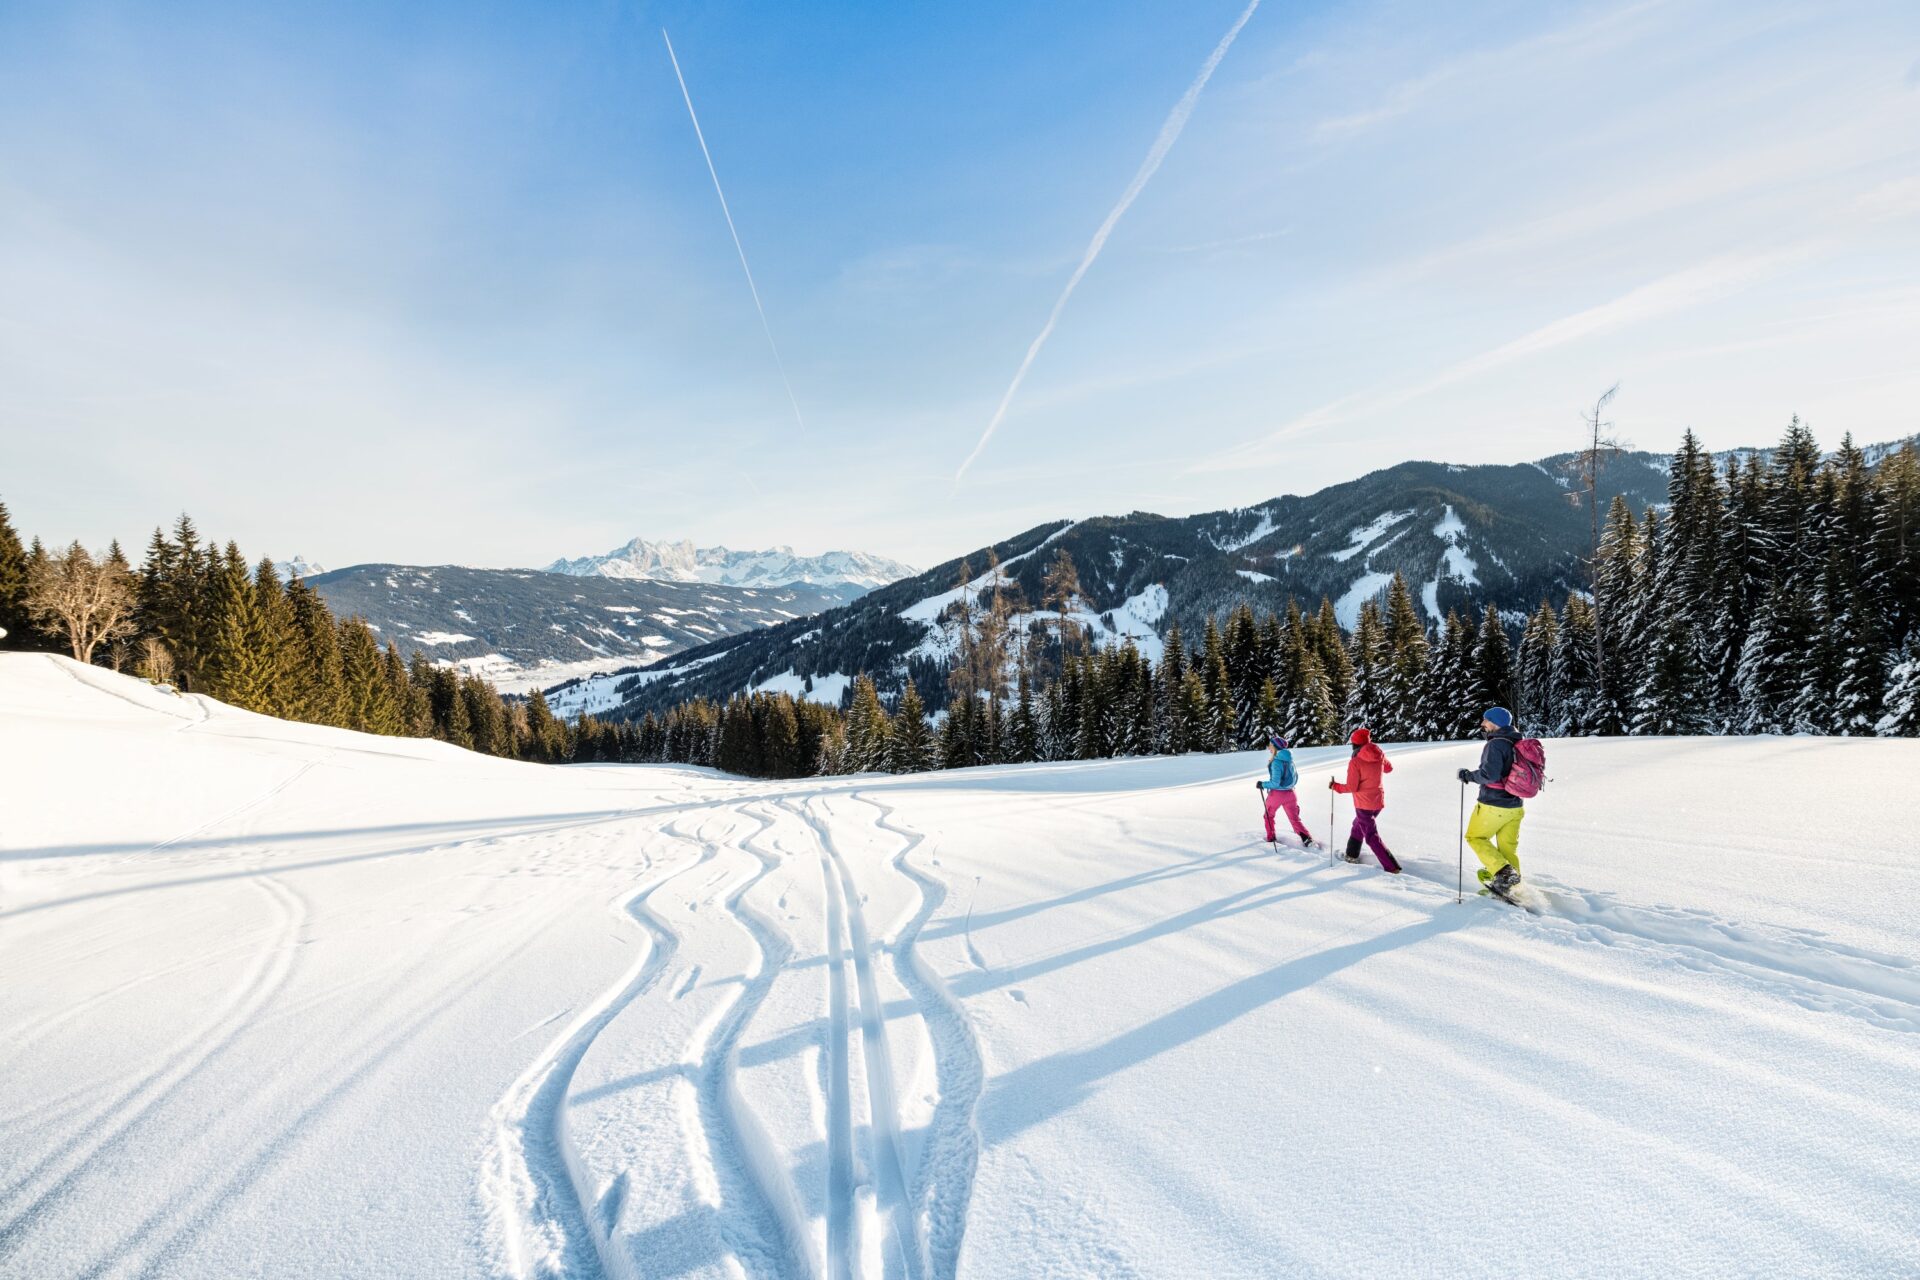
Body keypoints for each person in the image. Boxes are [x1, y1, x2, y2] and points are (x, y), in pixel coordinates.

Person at [1458, 706, 1524, 896]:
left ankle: (1503, 875)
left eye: (1486, 720)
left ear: (1495, 723)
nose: (1482, 724)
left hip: (1494, 804)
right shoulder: (1517, 742)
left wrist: (1468, 775)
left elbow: (1490, 774)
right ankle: (1514, 888)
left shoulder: (1496, 744)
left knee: (1475, 837)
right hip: (1515, 805)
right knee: (1507, 849)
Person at [1329, 727, 1400, 873]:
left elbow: (1352, 787)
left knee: (1371, 836)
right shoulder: (1378, 754)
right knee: (1358, 825)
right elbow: (1389, 768)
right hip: (1377, 801)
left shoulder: (1355, 761)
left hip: (1364, 803)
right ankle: (1351, 855)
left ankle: (1392, 867)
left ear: (1355, 744)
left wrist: (1335, 786)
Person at [1255, 731, 1315, 847]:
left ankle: (1271, 838)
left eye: (1271, 746)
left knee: (1268, 815)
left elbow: (1275, 783)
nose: (1269, 748)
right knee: (1295, 819)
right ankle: (1307, 839)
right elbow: (1295, 778)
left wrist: (1262, 784)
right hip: (1291, 793)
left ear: (1276, 747)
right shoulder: (1290, 760)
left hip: (1277, 795)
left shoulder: (1276, 762)